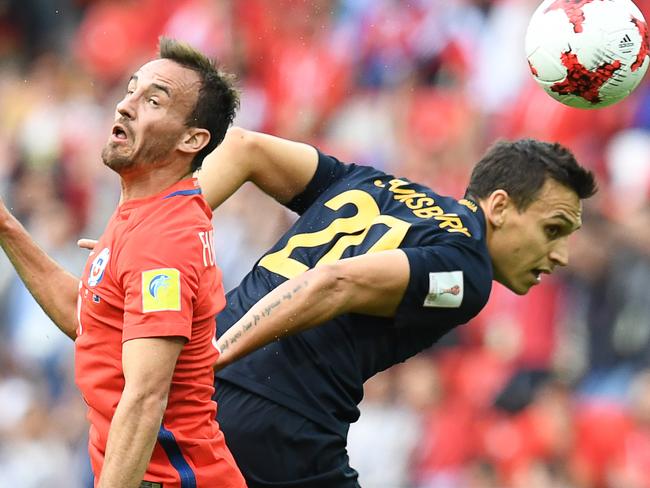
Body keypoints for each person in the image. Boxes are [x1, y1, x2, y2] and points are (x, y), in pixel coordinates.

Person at [191, 127, 597, 487]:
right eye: (552, 230)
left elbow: (243, 146)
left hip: (204, 393)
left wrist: (141, 244)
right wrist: (217, 355)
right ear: (501, 206)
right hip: (283, 425)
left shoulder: (374, 184)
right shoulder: (467, 270)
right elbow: (334, 282)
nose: (560, 254)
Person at [0, 38, 246, 487]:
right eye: (131, 89)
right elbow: (89, 320)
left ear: (192, 139)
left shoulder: (161, 241)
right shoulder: (146, 208)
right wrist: (7, 226)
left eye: (153, 100)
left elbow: (146, 398)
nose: (125, 106)